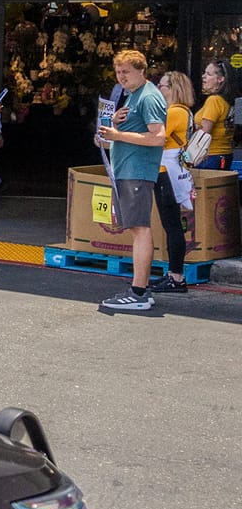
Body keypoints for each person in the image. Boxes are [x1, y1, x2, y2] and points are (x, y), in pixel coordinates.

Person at [95, 50, 168, 312]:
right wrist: (111, 130)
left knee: (139, 228)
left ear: (141, 70)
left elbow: (158, 137)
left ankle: (138, 291)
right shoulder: (134, 96)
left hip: (137, 170)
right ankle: (139, 290)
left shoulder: (148, 96)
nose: (121, 77)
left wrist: (117, 135)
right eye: (118, 72)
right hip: (127, 169)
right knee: (136, 228)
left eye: (126, 71)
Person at [151, 71, 197, 295]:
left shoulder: (175, 112)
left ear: (174, 88)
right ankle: (174, 274)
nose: (159, 89)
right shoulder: (183, 112)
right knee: (172, 225)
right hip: (174, 172)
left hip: (166, 173)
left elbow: (155, 136)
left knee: (172, 226)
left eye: (163, 85)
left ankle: (176, 277)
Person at [195, 61, 233, 170]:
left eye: (209, 74)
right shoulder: (227, 100)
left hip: (210, 156)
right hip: (224, 154)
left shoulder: (214, 100)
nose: (203, 76)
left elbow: (204, 132)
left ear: (220, 79)